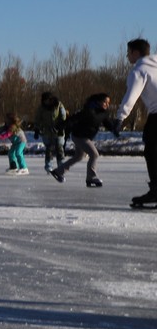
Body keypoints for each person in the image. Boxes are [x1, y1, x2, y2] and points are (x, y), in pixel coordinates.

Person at [115, 38, 157, 206]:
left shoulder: (139, 70)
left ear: (136, 52)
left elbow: (131, 97)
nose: (127, 56)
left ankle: (156, 191)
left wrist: (120, 118)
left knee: (152, 152)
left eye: (128, 53)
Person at [52, 92, 118, 187]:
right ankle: (91, 178)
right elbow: (73, 119)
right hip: (79, 136)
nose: (107, 105)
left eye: (108, 103)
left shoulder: (103, 113)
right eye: (105, 102)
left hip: (85, 137)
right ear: (98, 101)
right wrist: (61, 126)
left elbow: (107, 123)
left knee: (79, 156)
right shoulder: (88, 111)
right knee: (94, 154)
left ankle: (58, 172)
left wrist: (114, 129)